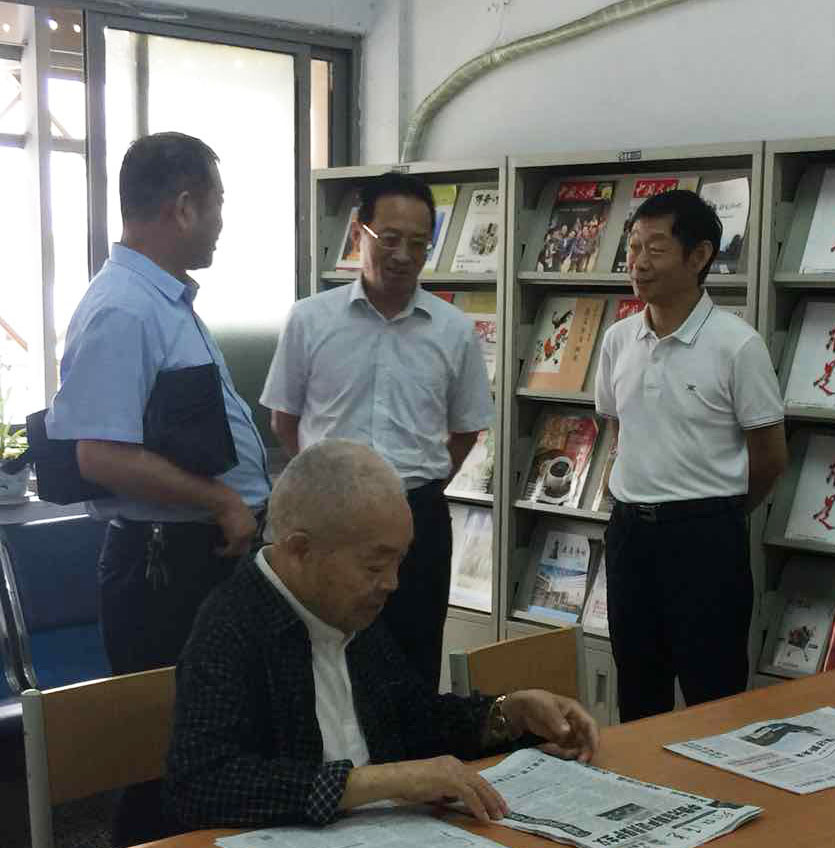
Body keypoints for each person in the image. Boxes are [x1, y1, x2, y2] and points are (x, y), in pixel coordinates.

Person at [166, 440, 599, 830]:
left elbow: (413, 716)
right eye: (374, 565)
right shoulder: (231, 623)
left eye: (399, 561)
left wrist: (507, 713)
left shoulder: (349, 606)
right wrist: (378, 781)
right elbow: (203, 783)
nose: (392, 583)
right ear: (299, 550)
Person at [46, 132, 270, 677]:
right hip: (167, 565)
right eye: (218, 204)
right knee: (174, 719)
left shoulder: (161, 299)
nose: (221, 223)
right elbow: (100, 456)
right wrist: (222, 500)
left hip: (201, 551)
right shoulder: (124, 308)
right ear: (185, 208)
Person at [260, 173, 494, 691]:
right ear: (358, 234)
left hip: (417, 519)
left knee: (412, 664)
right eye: (389, 239)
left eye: (418, 243)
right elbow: (284, 420)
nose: (403, 255)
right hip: (326, 523)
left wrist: (411, 488)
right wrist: (327, 489)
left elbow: (465, 429)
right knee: (319, 663)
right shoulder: (310, 320)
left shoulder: (454, 329)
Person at [594, 189, 787, 721]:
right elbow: (617, 426)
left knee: (714, 695)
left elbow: (770, 455)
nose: (638, 262)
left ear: (699, 256)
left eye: (655, 249)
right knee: (638, 689)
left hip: (705, 539)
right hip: (630, 535)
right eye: (634, 247)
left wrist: (718, 512)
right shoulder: (617, 339)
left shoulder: (737, 345)